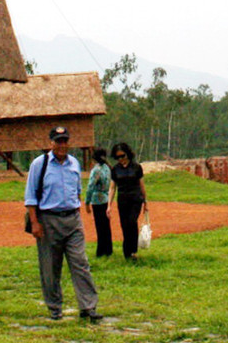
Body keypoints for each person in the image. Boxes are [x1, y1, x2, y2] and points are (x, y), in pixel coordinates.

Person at [25, 126, 101, 323]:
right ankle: (54, 307)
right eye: (58, 141)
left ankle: (88, 307)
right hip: (48, 220)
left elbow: (77, 191)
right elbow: (30, 197)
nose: (62, 145)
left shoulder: (74, 163)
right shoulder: (39, 165)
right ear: (50, 143)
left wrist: (76, 210)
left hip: (72, 220)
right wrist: (35, 223)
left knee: (80, 263)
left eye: (65, 141)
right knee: (51, 266)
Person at [108, 141, 148, 260]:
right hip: (122, 200)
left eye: (123, 156)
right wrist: (109, 205)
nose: (121, 159)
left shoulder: (136, 167)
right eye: (118, 157)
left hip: (136, 199)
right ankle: (127, 252)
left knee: (132, 222)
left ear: (128, 154)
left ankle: (133, 250)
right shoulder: (115, 169)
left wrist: (145, 202)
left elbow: (142, 185)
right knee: (124, 225)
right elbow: (112, 188)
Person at [85, 148, 112, 257]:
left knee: (100, 226)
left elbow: (91, 186)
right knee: (106, 225)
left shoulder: (96, 170)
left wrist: (87, 202)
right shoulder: (107, 168)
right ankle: (108, 249)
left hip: (97, 200)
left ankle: (101, 251)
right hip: (106, 198)